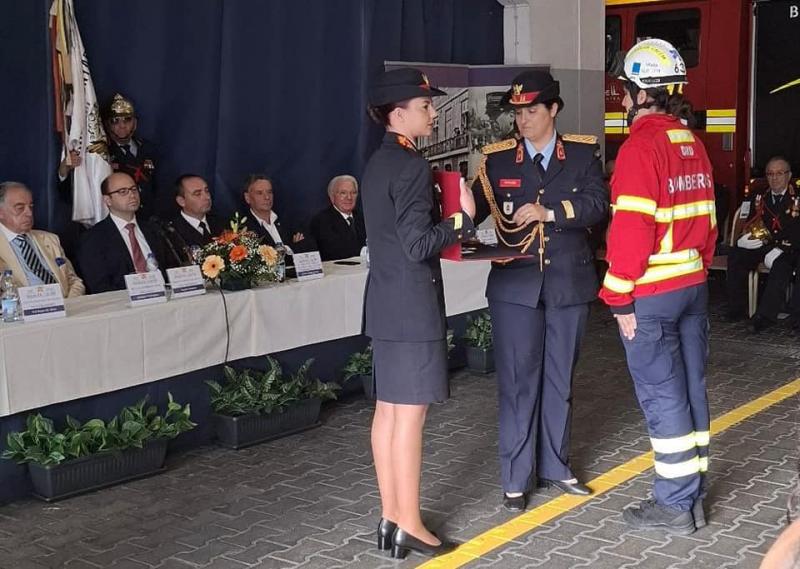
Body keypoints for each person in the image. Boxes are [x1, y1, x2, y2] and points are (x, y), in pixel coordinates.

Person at [471, 70, 608, 512]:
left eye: (531, 110)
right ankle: (515, 476)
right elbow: (469, 212)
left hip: (568, 281)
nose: (523, 119)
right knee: (516, 382)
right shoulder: (496, 161)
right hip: (515, 287)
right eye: (517, 112)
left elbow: (597, 205)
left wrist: (550, 212)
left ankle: (556, 465)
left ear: (553, 110)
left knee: (559, 379)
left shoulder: (584, 154)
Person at [600, 38, 718, 534]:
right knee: (691, 389)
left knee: (662, 395)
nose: (622, 99)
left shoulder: (639, 148)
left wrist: (616, 296)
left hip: (651, 294)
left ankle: (674, 503)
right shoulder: (691, 142)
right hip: (692, 283)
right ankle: (693, 494)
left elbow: (630, 232)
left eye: (625, 90)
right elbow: (709, 220)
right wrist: (699, 267)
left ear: (640, 92)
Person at [362, 67, 475, 559]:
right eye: (426, 106)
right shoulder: (410, 168)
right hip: (412, 305)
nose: (432, 113)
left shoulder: (378, 162)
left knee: (388, 412)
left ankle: (391, 516)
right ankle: (409, 522)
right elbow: (417, 245)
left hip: (386, 304)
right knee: (409, 418)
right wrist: (461, 220)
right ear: (398, 112)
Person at [726, 156, 799, 325]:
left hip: (787, 247)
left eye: (779, 173)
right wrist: (741, 240)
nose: (774, 178)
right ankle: (736, 309)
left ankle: (765, 316)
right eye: (770, 174)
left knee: (782, 264)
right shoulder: (758, 196)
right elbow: (745, 221)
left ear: (789, 176)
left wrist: (782, 248)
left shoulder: (796, 198)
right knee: (736, 255)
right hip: (761, 244)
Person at [78, 172, 175, 294]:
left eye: (134, 189)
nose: (132, 195)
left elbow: (172, 269)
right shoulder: (93, 238)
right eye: (123, 191)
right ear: (107, 200)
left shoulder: (154, 228)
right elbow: (99, 285)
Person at [0, 181, 84, 297]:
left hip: (67, 307)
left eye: (31, 207)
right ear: (1, 212)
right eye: (20, 208)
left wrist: (69, 304)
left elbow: (74, 281)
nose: (29, 213)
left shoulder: (51, 239)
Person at [102, 93, 161, 219]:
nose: (122, 125)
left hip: (150, 218)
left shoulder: (149, 148)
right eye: (115, 121)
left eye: (127, 119)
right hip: (119, 219)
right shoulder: (102, 153)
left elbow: (160, 185)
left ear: (135, 122)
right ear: (107, 124)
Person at [241, 174, 310, 255]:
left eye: (269, 192)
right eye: (259, 193)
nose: (267, 197)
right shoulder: (244, 229)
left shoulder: (289, 219)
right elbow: (259, 259)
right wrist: (291, 248)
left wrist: (281, 250)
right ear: (247, 197)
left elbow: (309, 246)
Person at [309, 175, 366, 261]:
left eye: (353, 192)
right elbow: (334, 252)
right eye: (343, 193)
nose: (349, 197)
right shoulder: (321, 221)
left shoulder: (364, 218)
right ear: (332, 197)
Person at [169, 174, 225, 253]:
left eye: (207, 191)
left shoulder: (222, 223)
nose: (207, 197)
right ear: (181, 201)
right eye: (197, 194)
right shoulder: (172, 233)